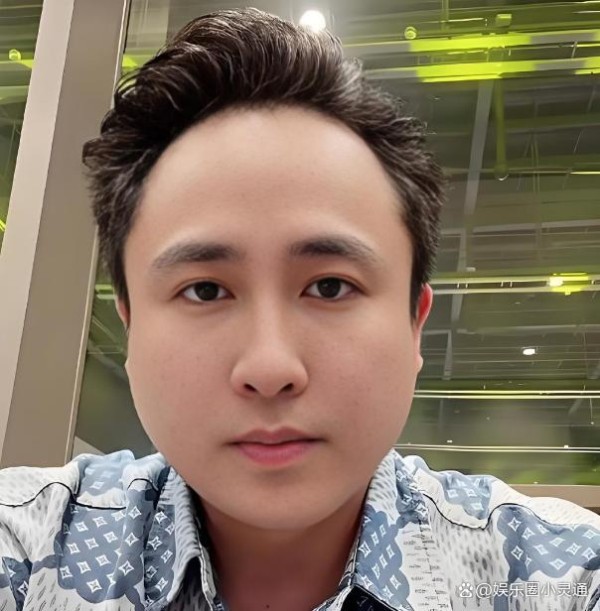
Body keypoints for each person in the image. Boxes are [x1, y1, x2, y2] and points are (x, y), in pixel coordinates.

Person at [0, 7, 598, 611]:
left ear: (415, 323)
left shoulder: (557, 578)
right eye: (205, 290)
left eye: (330, 287)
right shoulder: (28, 549)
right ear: (131, 327)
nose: (270, 368)